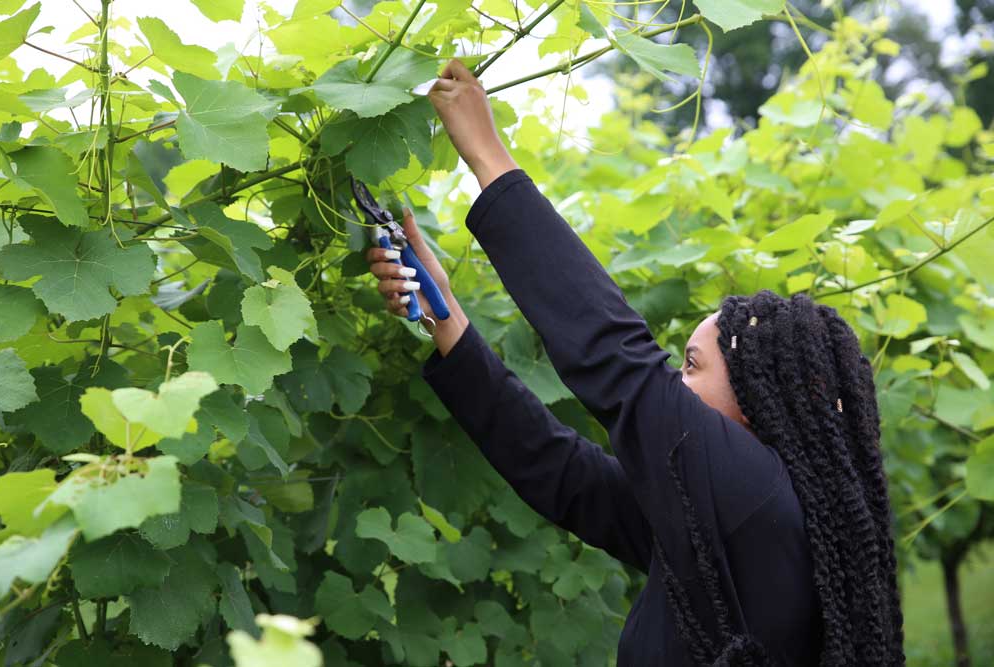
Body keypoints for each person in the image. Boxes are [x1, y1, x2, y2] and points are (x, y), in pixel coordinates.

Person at [365, 59, 905, 666]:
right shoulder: (724, 523)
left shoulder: (755, 498)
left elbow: (618, 361)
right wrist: (443, 311)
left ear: (761, 404)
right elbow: (563, 473)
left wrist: (488, 155)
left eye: (694, 366)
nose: (676, 380)